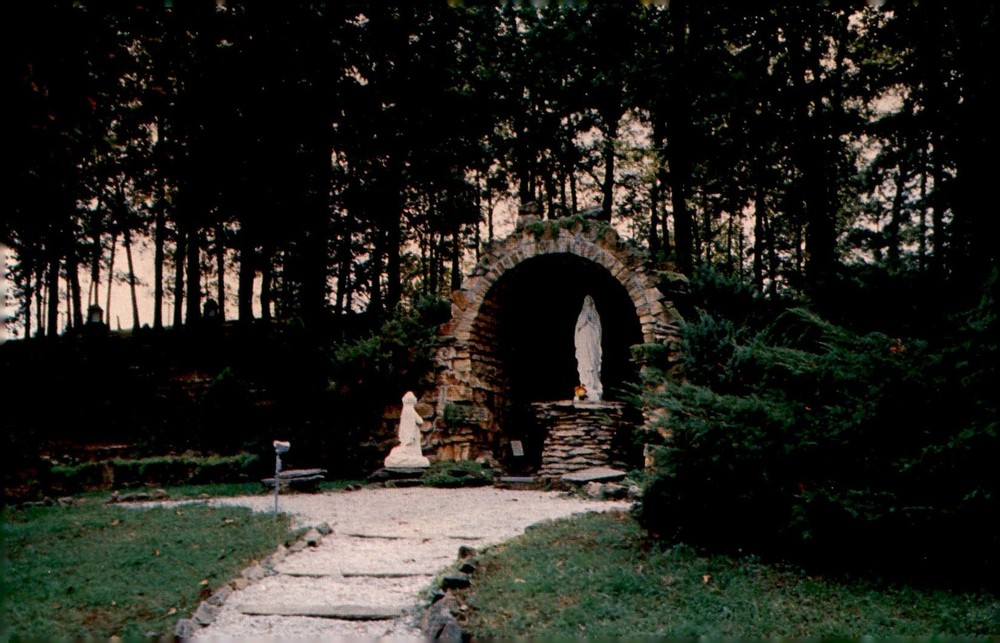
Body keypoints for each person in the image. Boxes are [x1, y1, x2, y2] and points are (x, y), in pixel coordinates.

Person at [384, 391, 430, 468]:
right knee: (415, 451)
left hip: (407, 436)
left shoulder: (404, 411)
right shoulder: (411, 410)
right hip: (412, 436)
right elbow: (420, 421)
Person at [574, 295, 603, 402]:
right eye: (585, 301)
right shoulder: (581, 315)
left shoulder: (595, 315)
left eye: (589, 301)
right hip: (583, 341)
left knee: (592, 362)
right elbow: (578, 328)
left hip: (592, 342)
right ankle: (584, 384)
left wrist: (591, 323)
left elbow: (598, 330)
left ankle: (593, 385)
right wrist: (585, 321)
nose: (587, 303)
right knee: (584, 363)